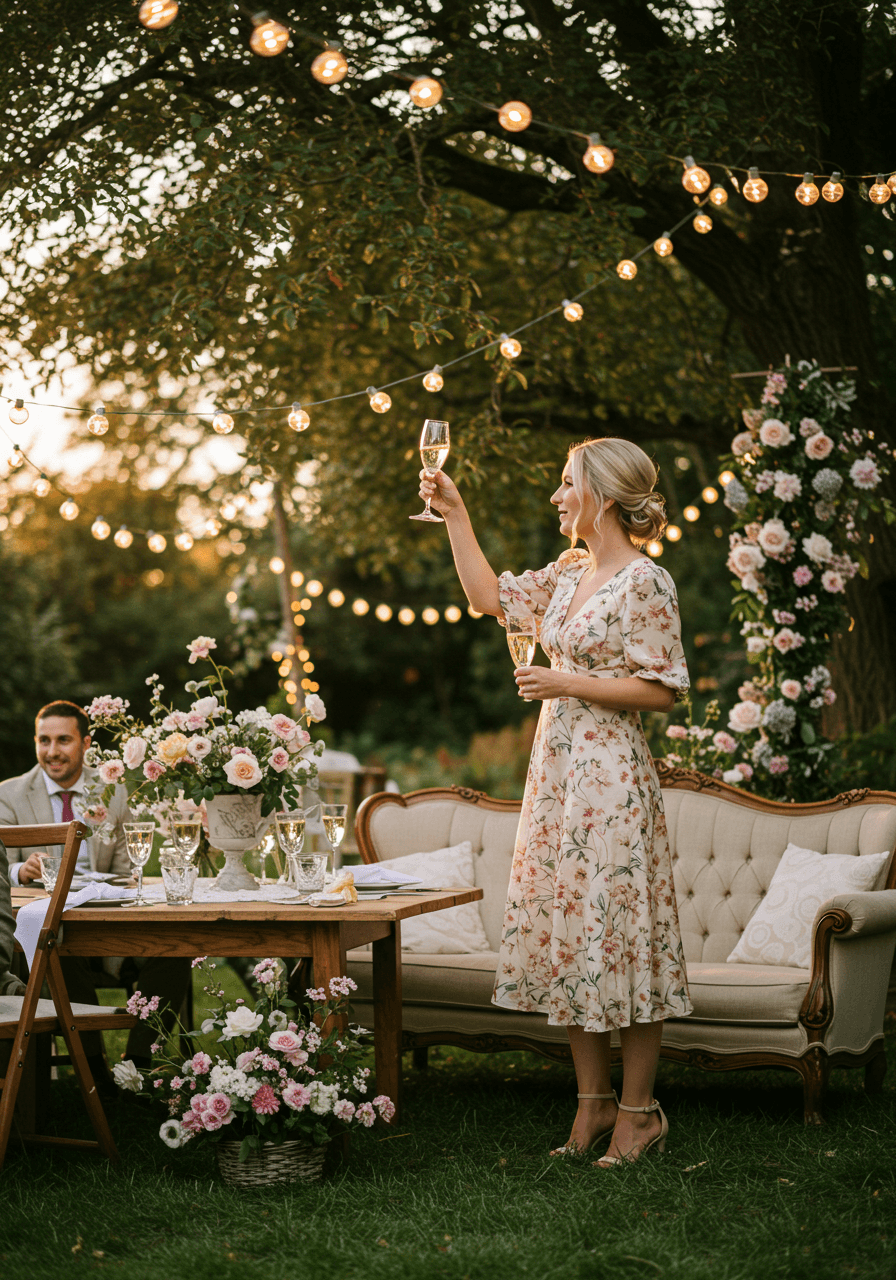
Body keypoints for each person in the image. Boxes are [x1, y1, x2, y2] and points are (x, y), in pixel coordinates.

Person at [419, 437, 692, 1167]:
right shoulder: (570, 571)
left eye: (566, 484)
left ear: (600, 495)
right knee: (573, 930)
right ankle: (592, 1104)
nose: (556, 496)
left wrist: (566, 682)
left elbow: (662, 688)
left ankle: (640, 1114)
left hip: (612, 783)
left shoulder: (645, 581)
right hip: (559, 777)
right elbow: (487, 598)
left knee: (624, 937)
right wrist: (455, 513)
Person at [0, 700, 190, 1075]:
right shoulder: (9, 793)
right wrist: (21, 869)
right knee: (57, 955)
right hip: (46, 931)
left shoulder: (114, 792)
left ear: (86, 743)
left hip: (108, 926)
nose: (52, 751)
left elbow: (126, 870)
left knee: (175, 950)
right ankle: (93, 1070)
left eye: (63, 740)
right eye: (44, 740)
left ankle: (137, 1061)